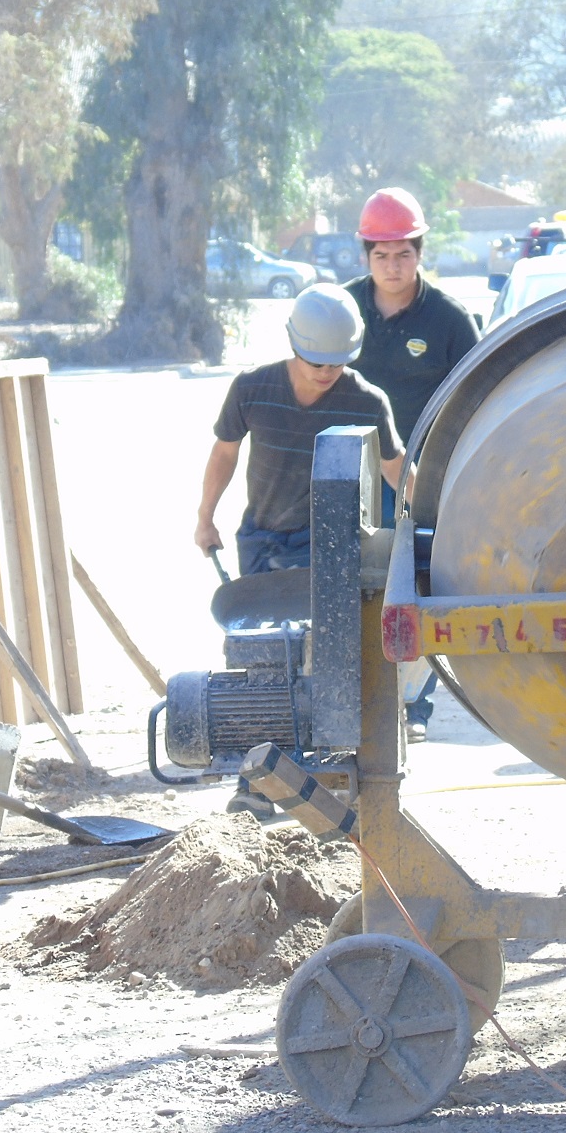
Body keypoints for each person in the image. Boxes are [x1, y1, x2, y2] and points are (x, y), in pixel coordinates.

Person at [195, 283, 403, 812]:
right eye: (314, 361)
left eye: (335, 363)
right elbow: (223, 454)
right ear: (293, 344)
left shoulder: (364, 400)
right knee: (263, 658)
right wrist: (205, 518)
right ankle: (258, 780)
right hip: (262, 536)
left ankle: (327, 774)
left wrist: (432, 522)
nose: (324, 372)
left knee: (321, 657)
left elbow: (398, 470)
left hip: (326, 543)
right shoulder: (252, 389)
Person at [342, 187, 478, 739]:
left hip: (421, 479)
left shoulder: (448, 320)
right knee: (353, 587)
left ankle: (414, 706)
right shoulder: (342, 310)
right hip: (350, 477)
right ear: (366, 257)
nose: (392, 266)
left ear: (419, 253)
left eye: (403, 254)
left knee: (419, 585)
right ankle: (358, 702)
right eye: (381, 256)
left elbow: (474, 395)